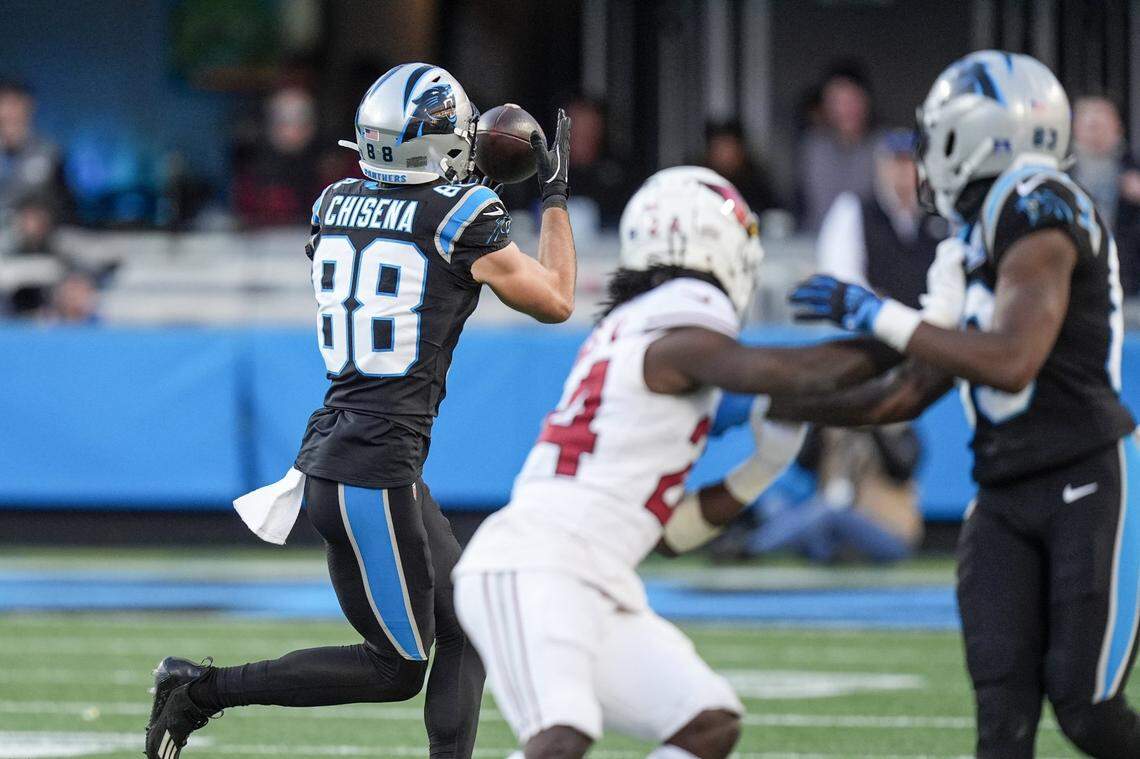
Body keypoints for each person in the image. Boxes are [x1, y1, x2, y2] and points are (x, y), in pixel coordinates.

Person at [144, 62, 578, 759]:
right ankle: (199, 689)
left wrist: (464, 192)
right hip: (370, 472)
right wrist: (553, 195)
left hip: (353, 455)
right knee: (395, 667)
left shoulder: (333, 201)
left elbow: (403, 233)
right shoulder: (463, 216)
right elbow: (557, 298)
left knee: (470, 618)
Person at [452, 166, 935, 759]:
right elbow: (807, 373)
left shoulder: (657, 338)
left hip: (592, 574)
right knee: (561, 736)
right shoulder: (681, 330)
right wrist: (906, 329)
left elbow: (674, 535)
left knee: (706, 722)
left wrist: (764, 466)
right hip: (535, 564)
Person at [788, 51, 1140, 757]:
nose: (926, 154)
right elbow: (911, 387)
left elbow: (1013, 360)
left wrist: (873, 311)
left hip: (1087, 478)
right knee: (1001, 725)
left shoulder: (1042, 201)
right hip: (1003, 493)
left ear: (979, 132)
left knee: (1086, 707)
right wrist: (789, 405)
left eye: (937, 131)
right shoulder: (966, 241)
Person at [1071, 95, 1140, 294]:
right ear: (1075, 128)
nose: (1096, 133)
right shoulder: (1063, 170)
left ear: (1117, 127)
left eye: (1102, 124)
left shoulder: (1132, 166)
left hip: (1128, 280)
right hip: (1079, 275)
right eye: (1090, 125)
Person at [231, 86, 324, 227]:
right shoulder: (251, 180)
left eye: (301, 121)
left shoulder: (331, 176)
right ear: (269, 125)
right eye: (284, 121)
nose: (292, 130)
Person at [797, 67, 876, 232]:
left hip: (871, 246)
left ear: (866, 101)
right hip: (816, 243)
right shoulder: (813, 148)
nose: (846, 110)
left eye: (852, 101)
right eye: (838, 102)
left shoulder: (884, 148)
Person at [0, 79, 67, 227]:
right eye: (4, 103)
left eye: (15, 103)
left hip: (33, 239)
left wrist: (43, 216)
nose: (9, 112)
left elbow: (64, 203)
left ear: (29, 106)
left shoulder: (48, 152)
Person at [702, 120, 779, 214]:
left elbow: (773, 214)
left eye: (729, 147)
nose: (725, 155)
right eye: (719, 148)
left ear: (741, 151)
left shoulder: (756, 184)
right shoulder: (700, 181)